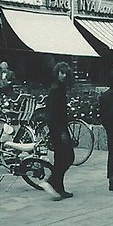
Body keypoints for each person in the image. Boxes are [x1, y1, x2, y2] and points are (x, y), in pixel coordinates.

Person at [42, 61, 74, 200]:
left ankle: (59, 188)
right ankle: (50, 181)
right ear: (57, 72)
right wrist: (61, 131)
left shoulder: (59, 87)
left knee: (61, 158)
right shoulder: (56, 89)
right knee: (68, 157)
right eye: (62, 72)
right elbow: (53, 113)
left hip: (58, 127)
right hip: (58, 128)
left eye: (66, 73)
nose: (64, 75)